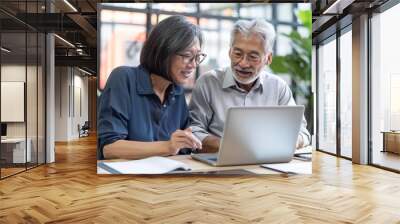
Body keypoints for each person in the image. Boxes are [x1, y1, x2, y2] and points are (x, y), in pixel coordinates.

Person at [189, 19, 311, 153]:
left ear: (268, 58)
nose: (243, 63)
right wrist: (230, 146)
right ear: (230, 52)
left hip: (269, 162)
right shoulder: (208, 82)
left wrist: (291, 142)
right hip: (219, 162)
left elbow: (302, 132)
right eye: (237, 54)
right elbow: (193, 131)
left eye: (253, 57)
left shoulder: (278, 87)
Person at [98, 15, 205, 160]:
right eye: (187, 56)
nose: (193, 65)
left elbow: (183, 147)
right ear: (163, 52)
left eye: (198, 57)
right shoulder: (123, 78)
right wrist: (168, 146)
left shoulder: (176, 91)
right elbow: (109, 148)